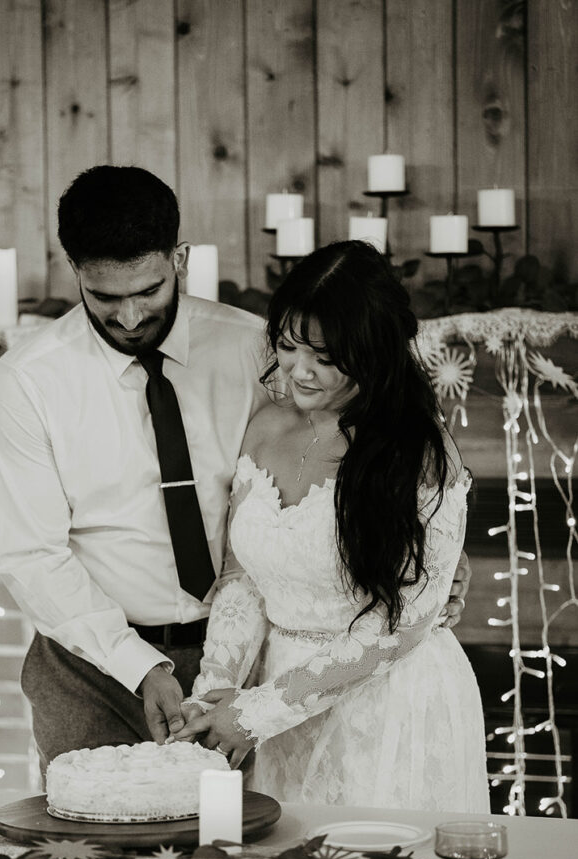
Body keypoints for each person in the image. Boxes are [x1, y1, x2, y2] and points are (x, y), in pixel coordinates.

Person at [0, 165, 471, 782]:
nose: (131, 316)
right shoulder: (27, 381)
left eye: (149, 290)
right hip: (91, 667)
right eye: (105, 296)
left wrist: (436, 554)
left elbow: (370, 446)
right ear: (73, 270)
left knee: (238, 853)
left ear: (179, 259)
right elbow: (31, 556)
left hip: (257, 664)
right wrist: (140, 665)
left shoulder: (257, 349)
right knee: (95, 850)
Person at [174, 240, 490, 812]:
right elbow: (244, 578)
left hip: (389, 701)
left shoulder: (419, 451)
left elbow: (405, 622)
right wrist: (216, 687)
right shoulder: (266, 427)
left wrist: (257, 711)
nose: (299, 370)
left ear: (373, 353)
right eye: (289, 347)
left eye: (324, 357)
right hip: (279, 706)